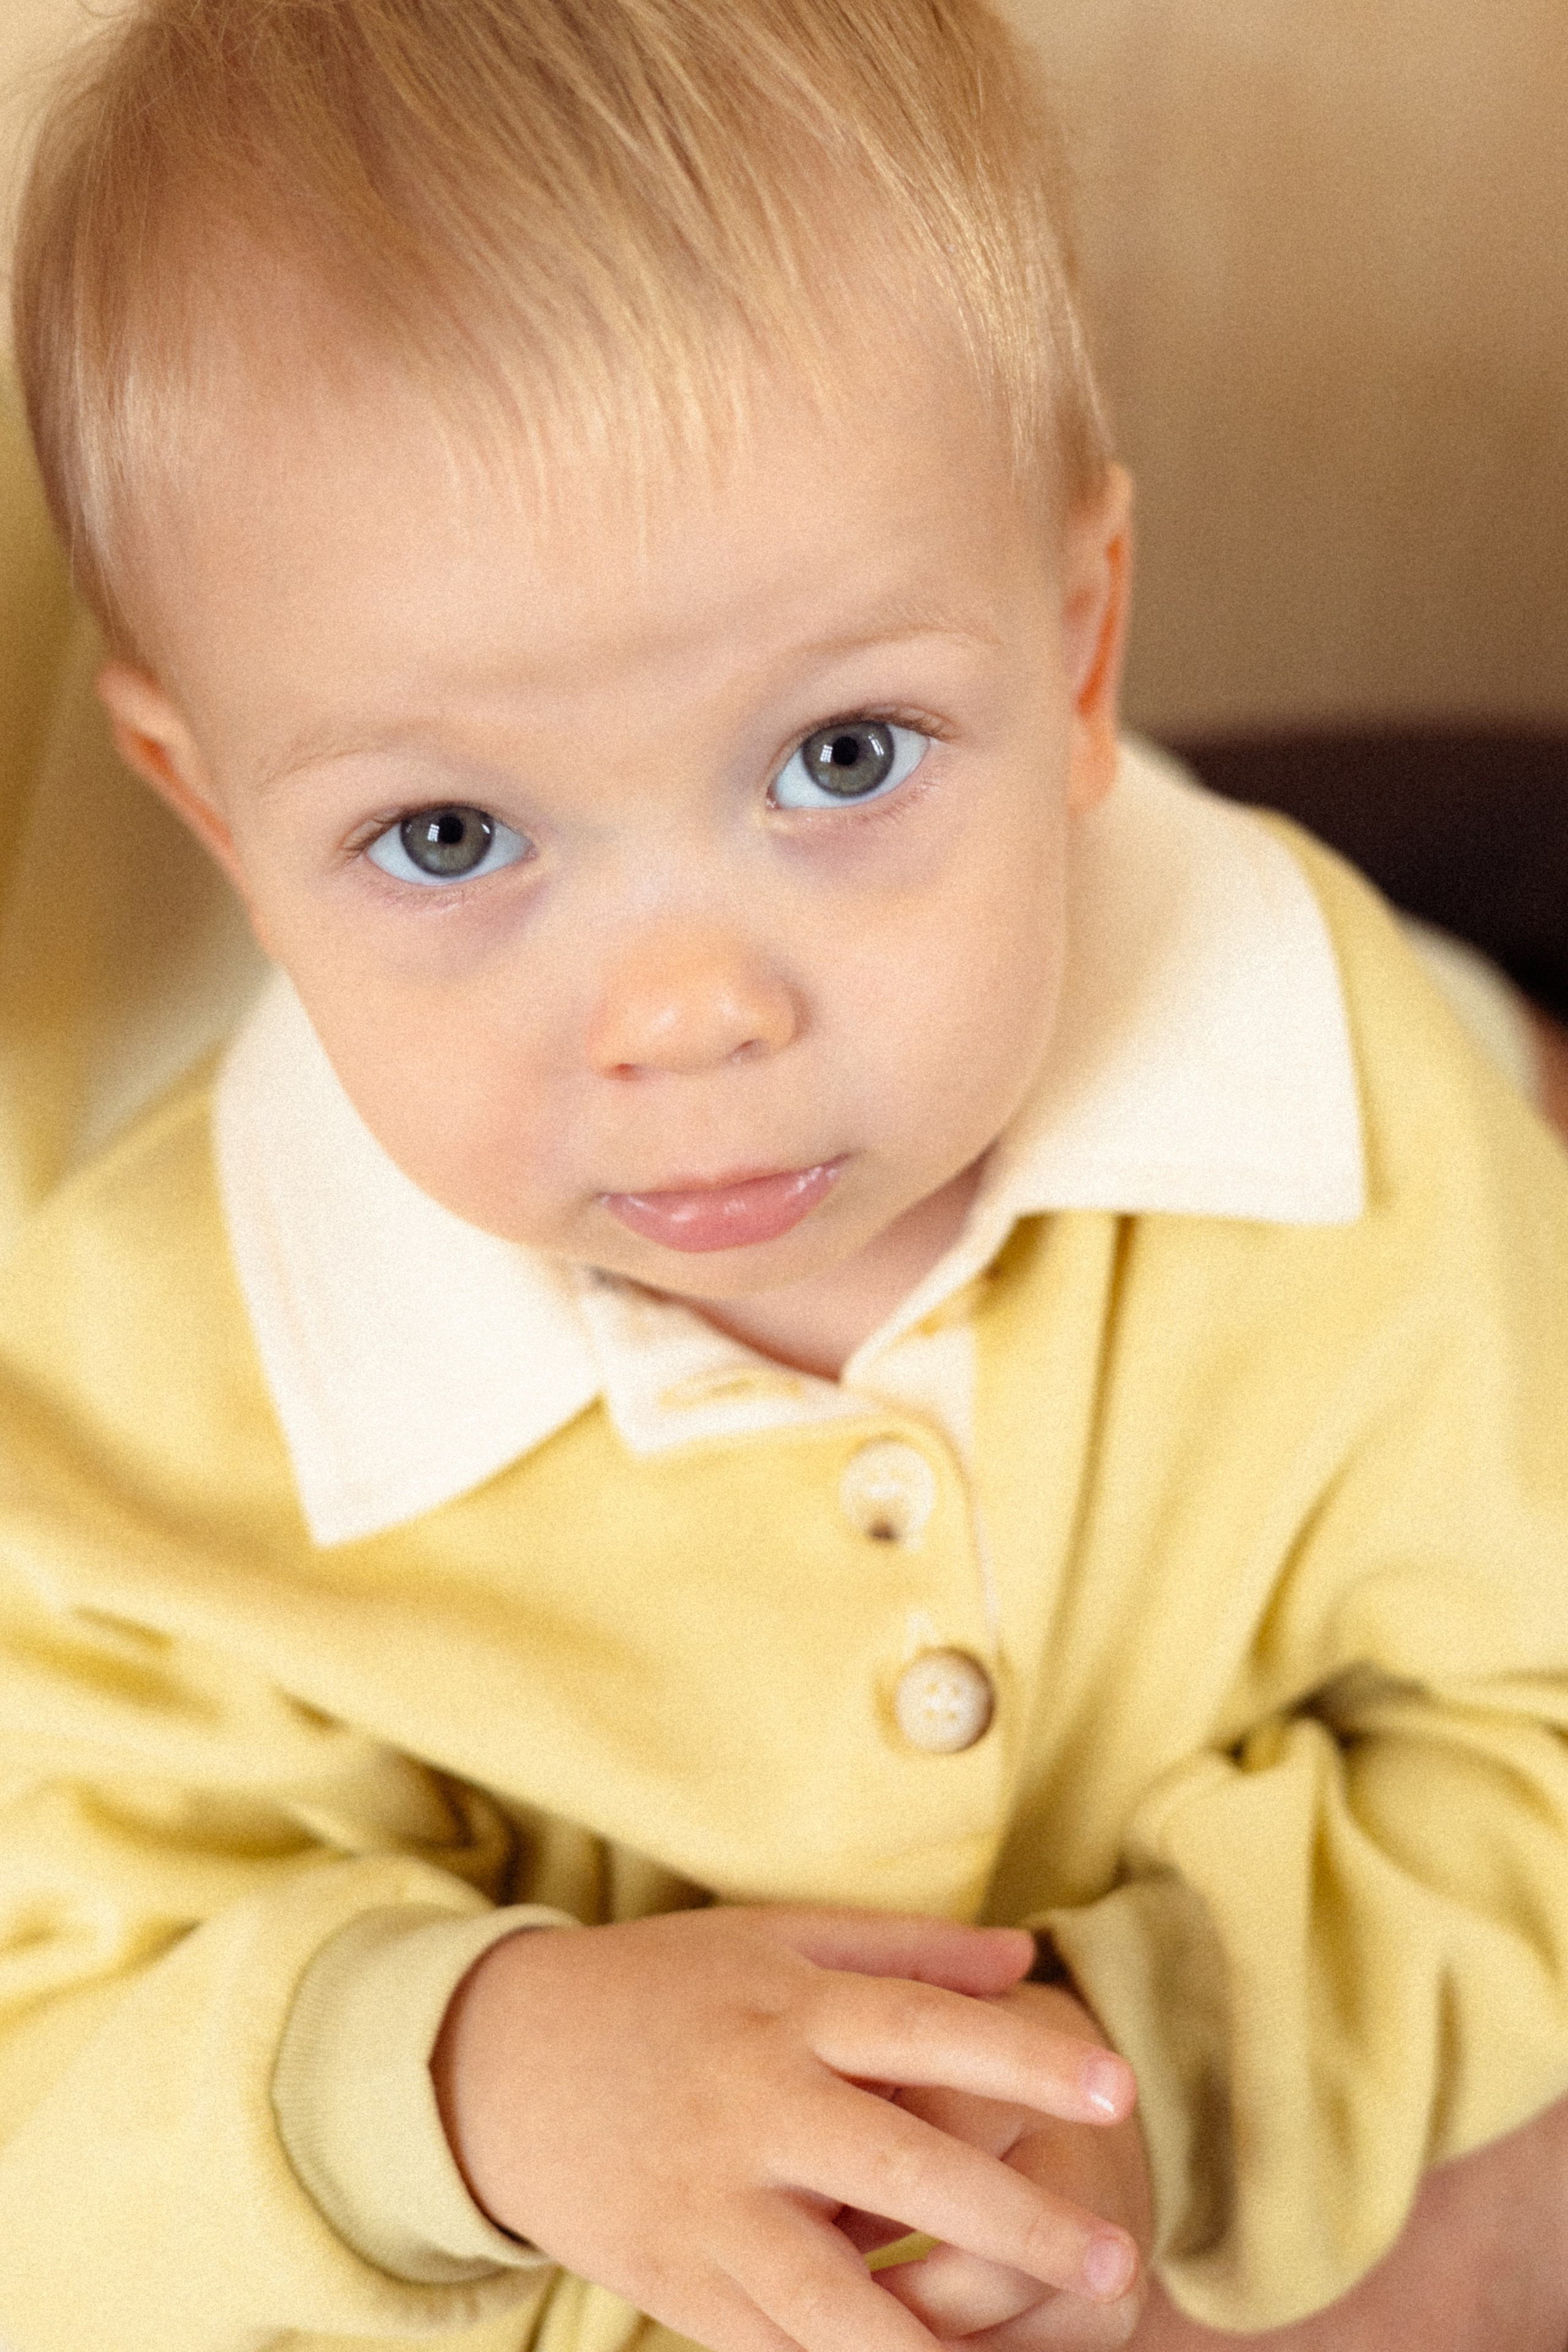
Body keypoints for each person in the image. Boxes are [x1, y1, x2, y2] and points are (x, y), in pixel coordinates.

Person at [1, 2, 1566, 2348]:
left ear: (1077, 653)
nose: (689, 1014)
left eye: (842, 757)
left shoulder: (1325, 1124)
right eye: (450, 837)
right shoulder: (123, 1417)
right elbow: (50, 2097)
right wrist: (452, 2083)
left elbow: (1533, 1723)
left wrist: (1162, 2068)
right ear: (217, 810)